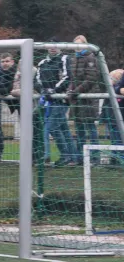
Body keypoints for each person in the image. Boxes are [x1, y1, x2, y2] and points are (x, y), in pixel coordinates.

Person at [68, 35, 100, 165]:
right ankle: (80, 158)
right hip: (77, 99)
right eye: (75, 44)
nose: (77, 47)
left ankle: (95, 158)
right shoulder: (74, 59)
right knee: (79, 128)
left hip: (88, 97)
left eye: (79, 44)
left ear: (85, 45)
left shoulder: (90, 57)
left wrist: (77, 91)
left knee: (90, 128)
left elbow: (91, 78)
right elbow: (72, 78)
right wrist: (70, 90)